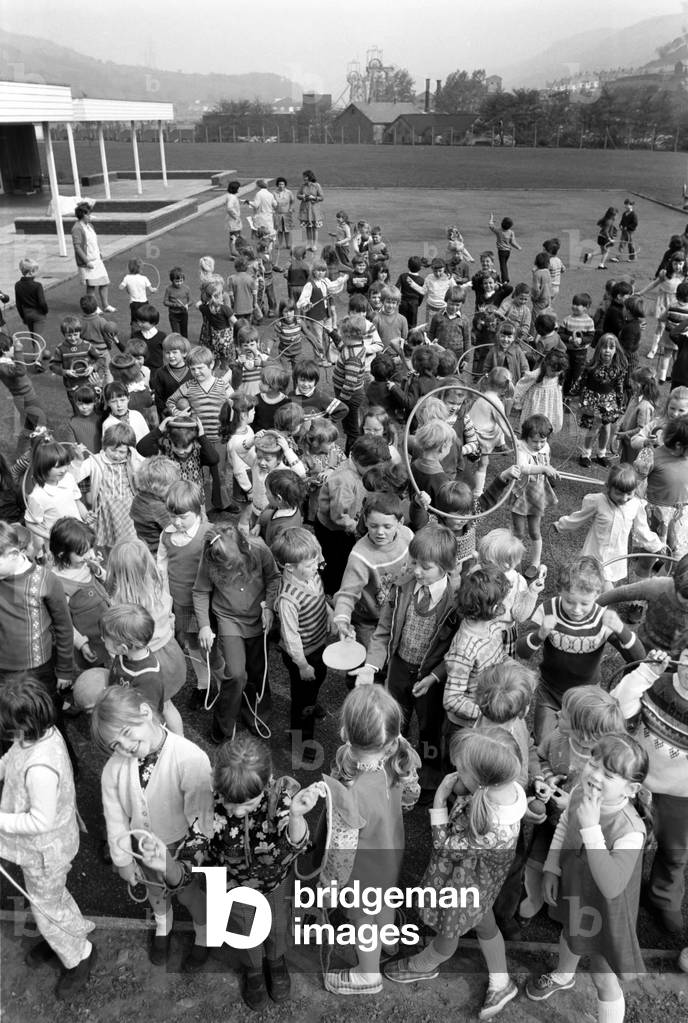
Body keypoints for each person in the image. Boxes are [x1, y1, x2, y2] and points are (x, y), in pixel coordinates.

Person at [136, 734, 316, 1007]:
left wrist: (296, 817)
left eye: (248, 803)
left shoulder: (278, 799)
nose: (239, 811)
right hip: (234, 890)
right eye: (232, 802)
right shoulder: (209, 806)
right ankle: (254, 970)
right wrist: (167, 865)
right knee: (245, 933)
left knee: (278, 928)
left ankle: (276, 962)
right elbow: (190, 858)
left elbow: (294, 847)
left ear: (266, 783)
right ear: (216, 784)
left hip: (276, 887)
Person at [385, 726, 526, 1020]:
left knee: (449, 930)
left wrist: (439, 803)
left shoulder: (488, 824)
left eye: (461, 769)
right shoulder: (506, 790)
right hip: (483, 883)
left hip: (465, 883)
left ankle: (424, 965)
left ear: (482, 781)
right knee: (485, 923)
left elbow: (445, 847)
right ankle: (501, 982)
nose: (456, 772)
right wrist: (464, 787)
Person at [525, 734, 648, 1023]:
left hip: (607, 910)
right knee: (569, 931)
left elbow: (611, 885)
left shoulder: (630, 829)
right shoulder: (582, 791)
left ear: (631, 788)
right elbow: (566, 823)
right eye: (593, 764)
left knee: (602, 976)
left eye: (609, 774)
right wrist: (552, 867)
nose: (595, 775)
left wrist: (592, 827)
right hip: (577, 886)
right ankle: (564, 975)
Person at [91, 687, 213, 965]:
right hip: (145, 847)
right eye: (115, 745)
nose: (124, 748)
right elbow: (115, 817)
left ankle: (204, 931)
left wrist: (190, 858)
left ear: (145, 712)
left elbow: (201, 816)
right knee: (155, 891)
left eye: (125, 733)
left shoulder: (189, 757)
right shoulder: (114, 769)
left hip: (181, 848)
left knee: (189, 894)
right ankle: (163, 925)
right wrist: (122, 859)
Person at [0, 675, 96, 999]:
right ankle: (63, 935)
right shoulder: (42, 733)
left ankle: (78, 954)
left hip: (45, 851)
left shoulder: (41, 769)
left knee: (45, 907)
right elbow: (11, 759)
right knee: (50, 900)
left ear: (23, 724)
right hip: (46, 850)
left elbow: (39, 820)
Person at [323, 686, 420, 995]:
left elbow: (341, 849)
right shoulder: (398, 760)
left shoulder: (352, 796)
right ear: (390, 742)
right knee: (385, 900)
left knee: (364, 918)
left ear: (345, 733)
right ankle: (389, 940)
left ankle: (368, 974)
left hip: (362, 870)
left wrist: (330, 885)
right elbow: (409, 800)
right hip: (390, 853)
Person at [354, 524, 459, 793]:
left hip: (431, 678)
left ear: (446, 567)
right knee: (393, 722)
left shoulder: (456, 601)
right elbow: (383, 631)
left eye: (425, 567)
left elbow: (457, 650)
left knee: (430, 729)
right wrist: (370, 665)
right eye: (414, 563)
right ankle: (393, 769)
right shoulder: (401, 589)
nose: (416, 571)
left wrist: (435, 676)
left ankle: (428, 778)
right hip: (399, 668)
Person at [521, 685, 629, 922]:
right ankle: (534, 894)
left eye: (564, 713)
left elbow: (613, 804)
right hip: (549, 821)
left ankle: (564, 904)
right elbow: (540, 757)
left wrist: (573, 803)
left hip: (582, 835)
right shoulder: (557, 738)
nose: (557, 714)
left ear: (585, 732)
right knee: (536, 859)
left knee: (573, 870)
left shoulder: (604, 763)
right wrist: (545, 779)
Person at [516, 556, 644, 743]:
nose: (576, 609)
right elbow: (522, 651)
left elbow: (638, 659)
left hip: (587, 696)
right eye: (569, 601)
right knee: (544, 742)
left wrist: (621, 630)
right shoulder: (548, 609)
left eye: (585, 603)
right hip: (550, 693)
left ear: (597, 594)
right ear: (559, 591)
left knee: (583, 744)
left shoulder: (603, 619)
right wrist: (540, 634)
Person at [611, 647, 688, 935]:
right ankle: (621, 893)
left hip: (681, 795)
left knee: (676, 852)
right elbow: (618, 706)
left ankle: (663, 898)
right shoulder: (657, 684)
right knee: (627, 843)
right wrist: (645, 673)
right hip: (636, 783)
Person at [193, 523, 280, 743]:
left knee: (258, 671)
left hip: (258, 618)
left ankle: (256, 715)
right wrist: (204, 625)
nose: (230, 570)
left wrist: (269, 607)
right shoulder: (210, 557)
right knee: (236, 674)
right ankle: (223, 727)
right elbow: (201, 591)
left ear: (243, 548)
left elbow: (274, 578)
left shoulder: (259, 549)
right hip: (228, 618)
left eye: (232, 564)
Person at [106, 538, 187, 731]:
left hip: (145, 661)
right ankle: (180, 742)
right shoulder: (156, 587)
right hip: (169, 653)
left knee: (150, 713)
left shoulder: (122, 605)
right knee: (167, 704)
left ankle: (158, 745)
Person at [0, 522, 74, 719]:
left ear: (14, 554)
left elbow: (64, 627)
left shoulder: (46, 580)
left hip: (39, 669)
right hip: (3, 671)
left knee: (47, 715)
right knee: (12, 721)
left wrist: (65, 669)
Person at [271, 528, 331, 759]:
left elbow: (319, 599)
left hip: (317, 645)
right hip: (302, 655)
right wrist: (303, 665)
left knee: (317, 680)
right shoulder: (288, 598)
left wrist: (330, 611)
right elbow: (290, 635)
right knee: (301, 700)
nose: (316, 567)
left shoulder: (310, 575)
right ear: (289, 567)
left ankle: (312, 703)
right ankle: (301, 739)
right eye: (309, 564)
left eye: (316, 560)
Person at [552, 463, 663, 587]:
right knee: (604, 588)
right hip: (596, 554)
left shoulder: (635, 505)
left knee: (593, 587)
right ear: (608, 487)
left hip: (617, 556)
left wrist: (655, 545)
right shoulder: (598, 501)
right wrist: (561, 525)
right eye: (619, 493)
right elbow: (578, 517)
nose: (624, 498)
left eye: (629, 493)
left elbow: (641, 529)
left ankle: (591, 603)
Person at [333, 492, 413, 648]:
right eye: (374, 526)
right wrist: (342, 620)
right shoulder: (360, 557)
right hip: (368, 620)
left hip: (398, 610)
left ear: (400, 522)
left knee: (392, 650)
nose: (380, 532)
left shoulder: (408, 536)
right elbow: (347, 594)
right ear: (365, 521)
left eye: (387, 526)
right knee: (368, 654)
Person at [443, 566, 510, 733]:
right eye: (501, 601)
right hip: (464, 727)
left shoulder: (493, 625)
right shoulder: (464, 649)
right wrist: (485, 716)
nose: (504, 605)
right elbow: (451, 699)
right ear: (492, 607)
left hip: (487, 710)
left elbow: (498, 658)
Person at [49, 515, 110, 671]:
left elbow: (106, 580)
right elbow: (63, 622)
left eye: (90, 548)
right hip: (90, 638)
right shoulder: (59, 584)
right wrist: (81, 644)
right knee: (98, 668)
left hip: (107, 626)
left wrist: (98, 571)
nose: (90, 555)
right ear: (62, 554)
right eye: (82, 552)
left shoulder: (86, 564)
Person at [100, 603, 174, 722]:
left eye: (105, 637)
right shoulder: (123, 655)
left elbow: (146, 717)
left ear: (123, 648)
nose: (102, 638)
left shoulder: (148, 678)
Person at [477, 528, 544, 655]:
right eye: (482, 559)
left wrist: (531, 594)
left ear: (506, 564)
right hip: (478, 628)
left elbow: (520, 615)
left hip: (502, 633)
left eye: (486, 561)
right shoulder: (481, 573)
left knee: (500, 668)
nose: (481, 563)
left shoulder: (518, 583)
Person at [508, 414, 559, 577]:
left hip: (536, 493)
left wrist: (549, 470)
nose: (539, 445)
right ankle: (514, 562)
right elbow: (523, 467)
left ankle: (535, 563)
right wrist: (544, 469)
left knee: (534, 531)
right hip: (522, 492)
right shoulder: (521, 448)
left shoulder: (546, 448)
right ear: (526, 438)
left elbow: (546, 463)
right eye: (534, 441)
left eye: (542, 441)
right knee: (518, 532)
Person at [573, 333, 627, 468]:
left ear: (616, 350)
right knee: (595, 427)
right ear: (598, 350)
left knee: (606, 427)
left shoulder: (618, 369)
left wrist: (620, 403)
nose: (607, 350)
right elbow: (581, 381)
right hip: (592, 400)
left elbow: (619, 386)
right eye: (604, 347)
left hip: (608, 402)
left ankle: (601, 454)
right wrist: (573, 393)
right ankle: (585, 454)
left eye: (611, 347)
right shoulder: (591, 366)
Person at [24, 439, 90, 543]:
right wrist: (50, 538)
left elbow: (76, 501)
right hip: (59, 543)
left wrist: (86, 515)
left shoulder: (68, 478)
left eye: (65, 464)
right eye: (58, 467)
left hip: (79, 534)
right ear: (43, 467)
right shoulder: (37, 496)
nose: (63, 469)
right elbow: (30, 524)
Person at [469, 366, 512, 497]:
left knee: (495, 424)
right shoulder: (496, 402)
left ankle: (500, 444)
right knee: (483, 463)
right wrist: (515, 440)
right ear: (505, 388)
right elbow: (505, 425)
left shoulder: (482, 396)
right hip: (480, 437)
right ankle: (478, 492)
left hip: (470, 432)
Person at [49, 316, 100, 412]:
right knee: (78, 409)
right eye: (69, 335)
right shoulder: (60, 349)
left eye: (76, 334)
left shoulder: (87, 346)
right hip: (72, 386)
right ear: (64, 334)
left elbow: (100, 359)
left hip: (89, 383)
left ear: (80, 332)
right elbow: (52, 366)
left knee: (94, 408)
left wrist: (92, 367)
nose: (73, 338)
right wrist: (65, 372)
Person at [71, 200, 114, 312]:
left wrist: (99, 251)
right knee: (91, 286)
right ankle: (94, 308)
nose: (90, 216)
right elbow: (77, 247)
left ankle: (106, 305)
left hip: (97, 259)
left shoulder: (90, 226)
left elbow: (94, 241)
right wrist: (86, 261)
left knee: (104, 282)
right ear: (83, 215)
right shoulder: (77, 228)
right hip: (88, 262)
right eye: (88, 214)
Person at [257, 468, 304, 548]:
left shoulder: (284, 530)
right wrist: (258, 524)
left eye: (267, 491)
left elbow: (276, 551)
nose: (265, 493)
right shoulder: (289, 504)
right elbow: (269, 508)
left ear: (279, 498)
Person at [14, 257, 48, 337]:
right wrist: (45, 311)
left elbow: (18, 304)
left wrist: (23, 316)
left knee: (32, 336)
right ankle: (38, 350)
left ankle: (36, 349)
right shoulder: (37, 286)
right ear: (31, 272)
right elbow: (42, 302)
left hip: (26, 313)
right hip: (38, 313)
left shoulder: (18, 285)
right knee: (38, 339)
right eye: (36, 271)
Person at [489, 213, 522, 284]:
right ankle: (505, 278)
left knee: (503, 265)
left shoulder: (498, 231)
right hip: (508, 252)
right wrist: (518, 247)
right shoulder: (511, 232)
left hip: (501, 251)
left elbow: (491, 226)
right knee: (504, 265)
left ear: (502, 224)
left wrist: (491, 219)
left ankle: (505, 280)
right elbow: (512, 242)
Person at [297, 169, 324, 247]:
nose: (303, 178)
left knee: (314, 228)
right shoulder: (303, 186)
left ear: (309, 177)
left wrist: (314, 197)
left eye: (305, 177)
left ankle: (314, 245)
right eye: (303, 177)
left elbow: (322, 197)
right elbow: (298, 195)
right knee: (308, 228)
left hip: (314, 210)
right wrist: (302, 196)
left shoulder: (316, 185)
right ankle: (309, 244)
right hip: (305, 209)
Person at [162, 267, 190, 338]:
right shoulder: (169, 289)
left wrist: (187, 305)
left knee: (184, 333)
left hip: (184, 314)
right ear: (172, 280)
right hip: (173, 315)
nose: (179, 283)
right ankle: (177, 347)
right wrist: (175, 305)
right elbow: (165, 302)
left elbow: (191, 301)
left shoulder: (186, 288)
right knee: (176, 334)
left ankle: (185, 347)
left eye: (181, 280)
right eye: (177, 281)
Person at [591, 205, 618, 270]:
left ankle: (589, 255)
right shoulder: (609, 221)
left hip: (600, 237)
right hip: (605, 238)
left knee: (602, 251)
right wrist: (610, 239)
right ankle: (601, 265)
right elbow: (606, 231)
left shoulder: (606, 219)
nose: (617, 216)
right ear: (612, 215)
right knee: (606, 252)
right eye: (616, 214)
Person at [543, 238, 566, 302]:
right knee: (549, 305)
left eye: (544, 250)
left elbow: (544, 273)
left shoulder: (548, 262)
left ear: (549, 251)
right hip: (556, 288)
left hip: (549, 287)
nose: (542, 251)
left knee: (544, 305)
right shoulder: (558, 260)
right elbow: (563, 269)